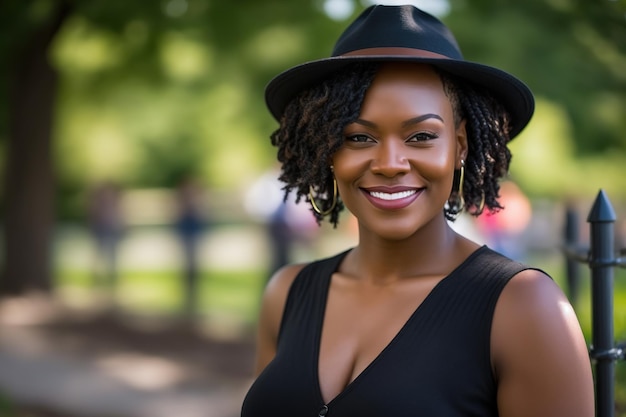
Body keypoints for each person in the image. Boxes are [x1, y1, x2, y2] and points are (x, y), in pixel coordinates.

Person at [241, 5, 594, 417]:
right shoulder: (286, 294)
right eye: (358, 138)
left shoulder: (523, 307)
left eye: (422, 136)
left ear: (459, 146)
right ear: (327, 151)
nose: (390, 162)